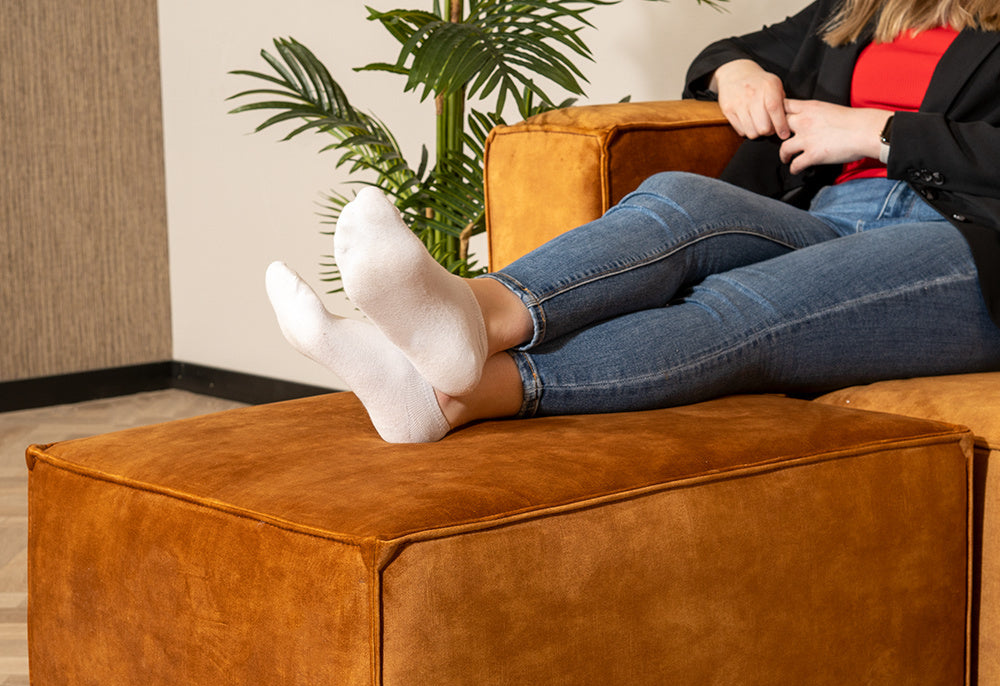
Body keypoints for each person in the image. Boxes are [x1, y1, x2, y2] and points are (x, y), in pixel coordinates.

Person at [266, 0, 1000, 444]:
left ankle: (451, 396)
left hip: (967, 241)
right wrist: (737, 73)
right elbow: (732, 51)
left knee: (742, 307)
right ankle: (477, 316)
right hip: (832, 219)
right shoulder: (860, 11)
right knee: (679, 198)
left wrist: (881, 133)